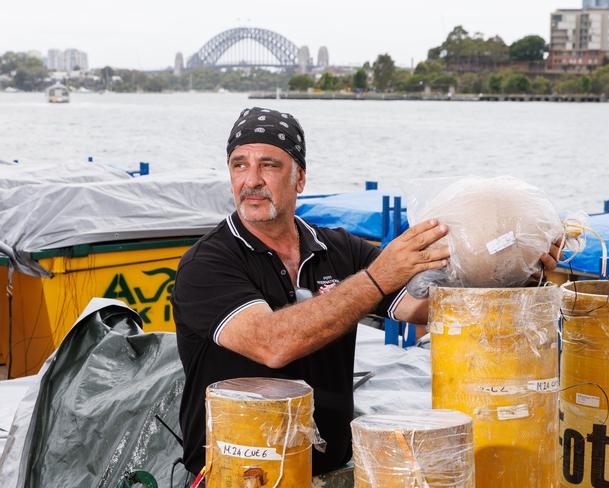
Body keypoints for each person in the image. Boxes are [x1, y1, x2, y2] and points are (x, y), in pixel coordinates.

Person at [171, 107, 560, 479]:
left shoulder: (340, 249)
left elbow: (420, 309)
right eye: (240, 164)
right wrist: (377, 277)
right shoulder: (207, 263)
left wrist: (516, 272)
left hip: (328, 470)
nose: (251, 179)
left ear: (300, 179)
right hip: (236, 475)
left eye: (269, 165)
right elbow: (273, 343)